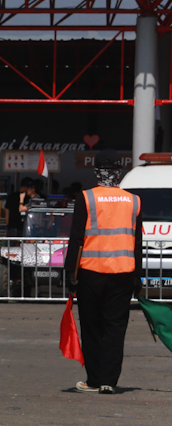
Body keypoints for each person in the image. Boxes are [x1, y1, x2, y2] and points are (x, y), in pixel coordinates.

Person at [64, 153, 144, 395]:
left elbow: (77, 239)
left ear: (97, 172)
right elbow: (137, 243)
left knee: (92, 327)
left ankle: (94, 379)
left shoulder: (86, 198)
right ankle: (109, 381)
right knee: (115, 328)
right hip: (123, 274)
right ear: (119, 172)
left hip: (91, 273)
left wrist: (70, 273)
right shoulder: (134, 201)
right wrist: (138, 276)